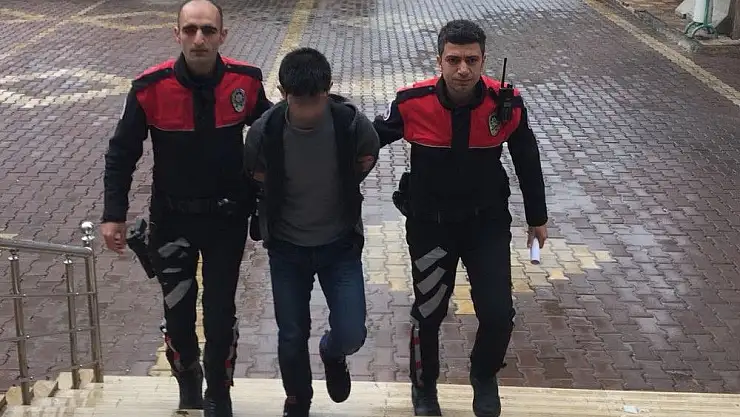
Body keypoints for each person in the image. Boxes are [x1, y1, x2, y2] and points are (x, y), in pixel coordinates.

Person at [100, 1, 272, 416]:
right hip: (172, 221)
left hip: (226, 221)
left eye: (208, 30)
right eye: (191, 30)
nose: (199, 39)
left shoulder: (245, 82)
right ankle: (188, 377)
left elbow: (274, 132)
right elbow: (122, 153)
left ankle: (219, 392)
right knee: (178, 314)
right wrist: (113, 214)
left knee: (219, 312)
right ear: (176, 34)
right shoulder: (149, 88)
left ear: (222, 36)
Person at [372, 19, 548, 417]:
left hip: (486, 225)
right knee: (429, 311)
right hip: (430, 226)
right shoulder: (411, 102)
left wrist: (537, 216)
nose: (463, 70)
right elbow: (368, 140)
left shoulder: (506, 103)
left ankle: (484, 376)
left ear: (484, 60)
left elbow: (526, 155)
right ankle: (424, 388)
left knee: (498, 314)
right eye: (454, 60)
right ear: (440, 61)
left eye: (472, 60)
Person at [243, 47, 379, 417]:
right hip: (287, 250)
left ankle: (332, 353)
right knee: (291, 334)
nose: (307, 111)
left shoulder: (351, 125)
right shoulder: (265, 132)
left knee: (352, 332)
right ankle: (297, 399)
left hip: (339, 247)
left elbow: (367, 155)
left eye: (315, 100)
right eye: (297, 101)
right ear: (283, 93)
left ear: (328, 89)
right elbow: (255, 174)